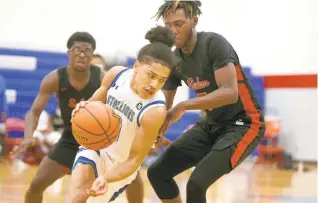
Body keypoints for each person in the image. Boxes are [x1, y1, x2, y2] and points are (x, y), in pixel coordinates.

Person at [147, 1, 265, 203]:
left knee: (196, 183)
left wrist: (184, 106)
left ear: (194, 21)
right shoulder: (174, 59)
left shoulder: (213, 43)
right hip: (211, 123)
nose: (172, 31)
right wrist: (155, 132)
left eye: (179, 24)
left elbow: (229, 93)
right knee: (157, 172)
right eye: (168, 26)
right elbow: (164, 107)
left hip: (244, 124)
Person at [69, 26, 175, 203]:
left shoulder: (155, 110)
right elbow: (93, 103)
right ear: (136, 66)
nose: (154, 84)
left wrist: (106, 178)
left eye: (162, 80)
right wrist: (81, 109)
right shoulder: (116, 75)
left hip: (120, 165)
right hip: (95, 147)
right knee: (77, 197)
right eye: (150, 75)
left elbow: (134, 160)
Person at [10, 32, 105, 203]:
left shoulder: (102, 77)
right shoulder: (54, 78)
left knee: (85, 196)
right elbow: (34, 111)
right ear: (69, 52)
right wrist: (28, 136)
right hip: (69, 140)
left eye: (87, 50)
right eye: (78, 49)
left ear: (93, 54)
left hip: (97, 143)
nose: (82, 54)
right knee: (36, 185)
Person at [92, 53, 146, 203]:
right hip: (95, 133)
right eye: (94, 65)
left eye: (99, 65)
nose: (97, 68)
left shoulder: (115, 82)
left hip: (120, 132)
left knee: (133, 174)